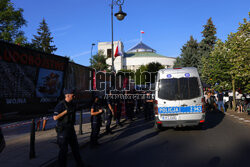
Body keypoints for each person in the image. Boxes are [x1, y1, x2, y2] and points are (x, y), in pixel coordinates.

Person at [53, 89, 84, 167]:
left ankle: (80, 165)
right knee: (63, 151)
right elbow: (55, 118)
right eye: (72, 95)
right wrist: (65, 112)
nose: (74, 96)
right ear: (67, 95)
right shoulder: (60, 105)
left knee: (76, 149)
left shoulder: (72, 104)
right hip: (63, 130)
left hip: (71, 129)